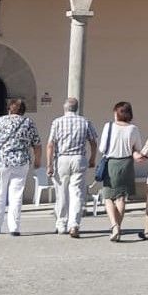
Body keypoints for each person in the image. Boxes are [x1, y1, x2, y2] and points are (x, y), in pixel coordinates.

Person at [0, 98, 42, 237]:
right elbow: (37, 144)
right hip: (21, 161)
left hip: (2, 161)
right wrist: (37, 161)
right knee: (16, 195)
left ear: (9, 108)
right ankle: (14, 227)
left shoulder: (0, 121)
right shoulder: (28, 123)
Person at [46, 97, 98, 238]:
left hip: (62, 158)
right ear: (77, 108)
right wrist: (92, 158)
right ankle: (74, 224)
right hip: (78, 158)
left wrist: (50, 164)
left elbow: (51, 144)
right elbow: (93, 142)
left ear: (65, 107)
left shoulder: (57, 122)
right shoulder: (85, 122)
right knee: (76, 193)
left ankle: (61, 223)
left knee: (61, 192)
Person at [97, 101, 143, 242]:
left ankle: (114, 225)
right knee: (121, 197)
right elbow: (138, 147)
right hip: (127, 163)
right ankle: (119, 226)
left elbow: (102, 148)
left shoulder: (109, 126)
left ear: (117, 113)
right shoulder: (133, 129)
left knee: (108, 196)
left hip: (111, 163)